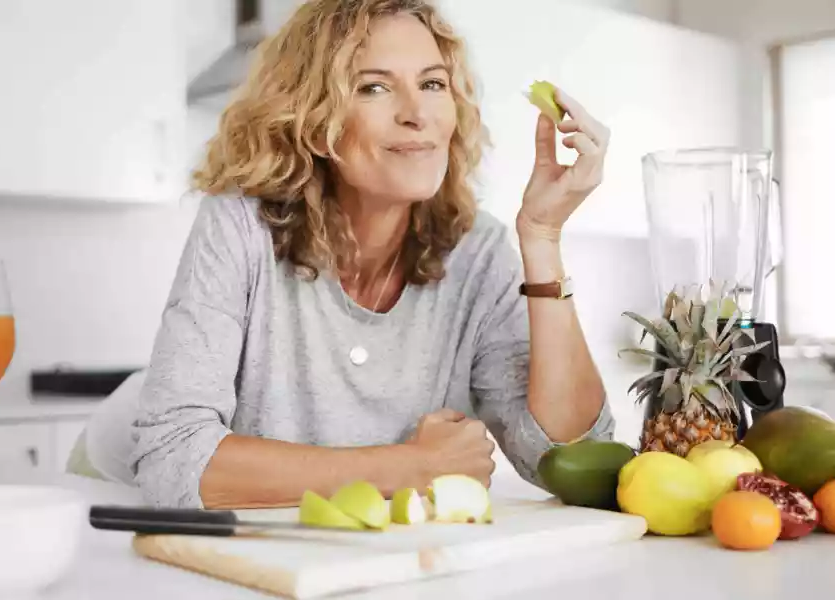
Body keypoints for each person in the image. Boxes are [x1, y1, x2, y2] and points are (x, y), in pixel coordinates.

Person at [128, 0, 614, 509]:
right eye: (374, 87)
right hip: (116, 484)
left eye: (432, 83)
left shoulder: (477, 253)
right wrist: (412, 467)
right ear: (313, 121)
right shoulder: (238, 226)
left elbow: (576, 461)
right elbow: (171, 459)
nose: (417, 114)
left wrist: (542, 235)